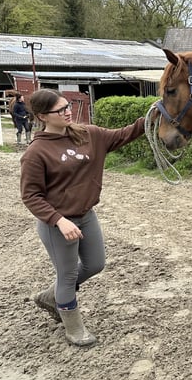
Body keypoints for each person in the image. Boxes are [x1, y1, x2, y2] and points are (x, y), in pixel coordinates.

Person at [20, 89, 145, 347]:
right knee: (66, 275)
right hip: (58, 224)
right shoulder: (36, 152)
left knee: (95, 264)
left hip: (86, 215)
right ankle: (74, 328)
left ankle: (51, 296)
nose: (67, 112)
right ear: (43, 116)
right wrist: (58, 220)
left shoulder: (88, 134)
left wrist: (153, 115)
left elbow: (124, 134)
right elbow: (31, 196)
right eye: (60, 110)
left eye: (68, 106)